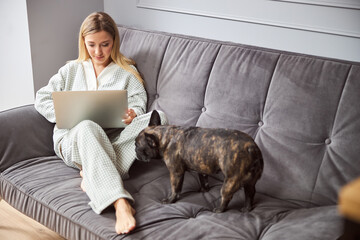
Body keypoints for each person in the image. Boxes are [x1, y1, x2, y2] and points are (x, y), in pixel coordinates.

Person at [34, 12, 167, 235]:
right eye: (92, 45)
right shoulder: (71, 70)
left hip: (112, 137)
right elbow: (42, 97)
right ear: (83, 43)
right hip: (73, 139)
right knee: (87, 126)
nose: (98, 52)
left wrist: (132, 114)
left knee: (159, 118)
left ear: (114, 42)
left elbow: (138, 105)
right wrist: (66, 114)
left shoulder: (127, 72)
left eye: (105, 45)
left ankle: (92, 170)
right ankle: (119, 202)